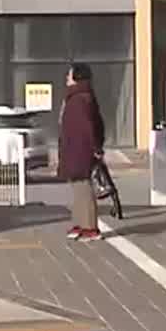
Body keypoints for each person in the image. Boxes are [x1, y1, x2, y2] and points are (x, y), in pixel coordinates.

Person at [59, 63, 107, 241]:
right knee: (77, 187)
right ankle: (80, 223)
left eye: (69, 75)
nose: (66, 78)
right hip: (74, 149)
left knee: (84, 187)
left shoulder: (81, 98)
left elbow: (89, 127)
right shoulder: (76, 97)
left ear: (77, 78)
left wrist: (96, 148)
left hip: (81, 150)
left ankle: (91, 227)